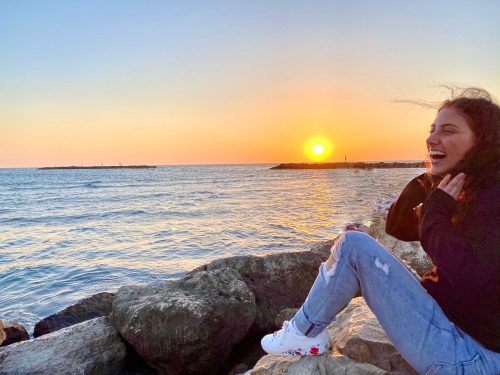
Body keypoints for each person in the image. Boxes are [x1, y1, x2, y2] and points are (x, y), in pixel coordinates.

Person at [261, 88, 500, 374]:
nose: (431, 138)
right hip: (459, 334)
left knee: (353, 246)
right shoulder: (470, 189)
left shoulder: (493, 199)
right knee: (360, 250)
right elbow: (397, 226)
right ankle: (305, 330)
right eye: (432, 129)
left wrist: (435, 212)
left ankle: (302, 332)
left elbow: (475, 275)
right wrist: (430, 179)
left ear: (483, 141)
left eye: (448, 131)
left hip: (473, 359)